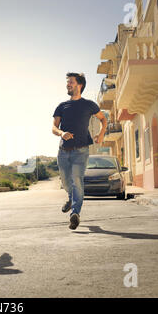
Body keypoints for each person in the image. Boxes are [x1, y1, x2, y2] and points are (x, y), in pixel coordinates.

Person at [52, 73, 107, 230]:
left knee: (77, 180)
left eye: (71, 82)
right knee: (65, 181)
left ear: (79, 85)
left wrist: (101, 133)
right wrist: (62, 133)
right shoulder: (62, 106)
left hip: (81, 150)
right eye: (67, 82)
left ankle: (75, 214)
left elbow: (103, 119)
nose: (68, 84)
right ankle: (71, 199)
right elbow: (54, 127)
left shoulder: (89, 105)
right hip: (63, 150)